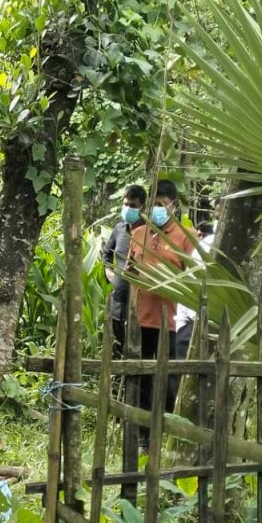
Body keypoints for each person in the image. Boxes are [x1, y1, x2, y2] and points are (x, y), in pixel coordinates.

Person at [126, 180, 197, 420]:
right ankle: (142, 430)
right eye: (153, 204)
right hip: (141, 319)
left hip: (172, 322)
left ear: (173, 206)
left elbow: (194, 279)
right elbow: (129, 269)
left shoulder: (187, 238)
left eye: (162, 204)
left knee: (168, 380)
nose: (157, 209)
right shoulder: (138, 233)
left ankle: (166, 426)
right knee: (140, 378)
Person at [103, 185, 147, 358]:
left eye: (133, 206)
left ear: (142, 207)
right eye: (126, 204)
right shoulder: (119, 229)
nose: (128, 208)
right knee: (116, 345)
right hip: (118, 301)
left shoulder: (148, 232)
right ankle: (114, 382)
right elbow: (106, 254)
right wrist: (108, 271)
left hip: (138, 302)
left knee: (136, 347)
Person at [173, 220, 216, 359]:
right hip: (192, 325)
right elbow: (188, 282)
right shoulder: (204, 245)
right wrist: (181, 325)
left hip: (225, 328)